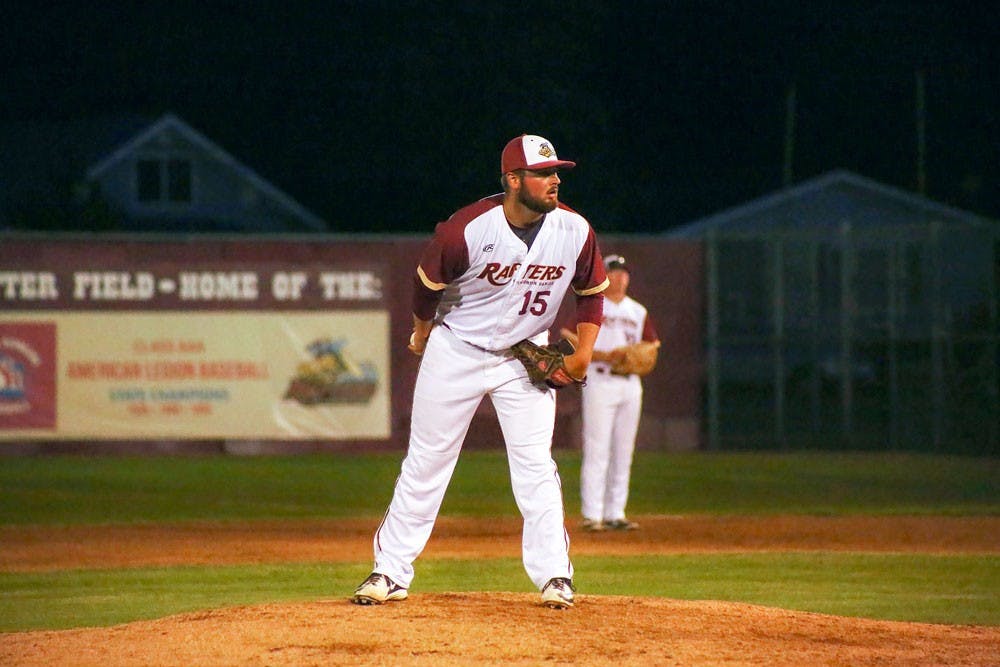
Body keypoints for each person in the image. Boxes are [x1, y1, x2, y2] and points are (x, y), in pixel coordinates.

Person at [352, 134, 608, 610]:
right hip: (458, 351)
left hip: (524, 355)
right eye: (544, 173)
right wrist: (422, 332)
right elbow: (426, 286)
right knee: (426, 461)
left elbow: (592, 291)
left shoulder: (574, 230)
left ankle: (555, 575)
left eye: (557, 173)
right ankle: (389, 571)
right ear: (513, 179)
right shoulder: (466, 229)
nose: (555, 181)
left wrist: (583, 353)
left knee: (535, 465)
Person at [562, 254, 659, 532]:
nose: (619, 277)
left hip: (629, 384)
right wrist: (601, 354)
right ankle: (592, 514)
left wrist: (642, 355)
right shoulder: (594, 305)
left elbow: (653, 344)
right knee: (597, 447)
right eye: (613, 272)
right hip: (600, 381)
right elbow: (568, 333)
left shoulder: (637, 311)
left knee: (624, 450)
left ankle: (616, 512)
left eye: (623, 272)